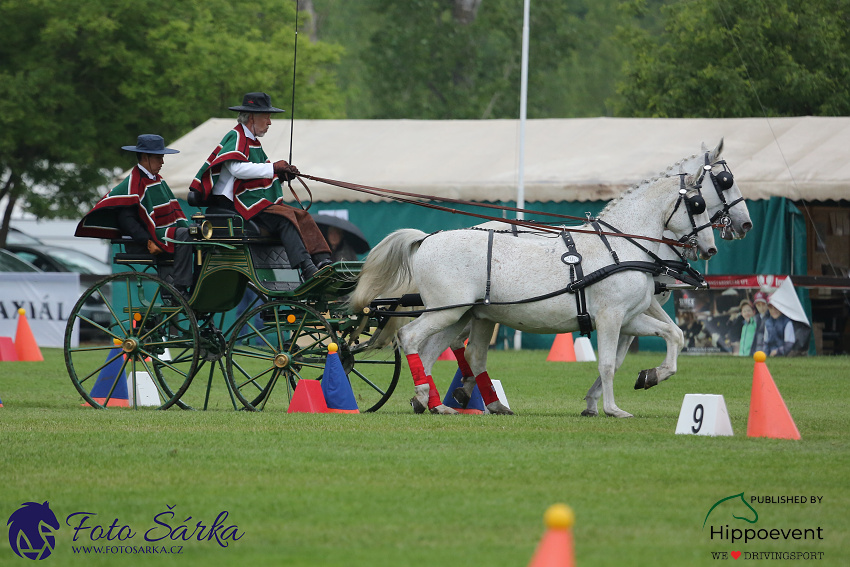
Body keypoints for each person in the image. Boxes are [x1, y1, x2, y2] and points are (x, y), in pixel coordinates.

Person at [190, 92, 331, 280]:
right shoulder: (237, 136)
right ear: (251, 117)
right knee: (285, 218)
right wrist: (273, 168)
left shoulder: (252, 141)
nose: (270, 122)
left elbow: (260, 177)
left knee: (302, 215)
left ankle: (323, 260)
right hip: (233, 204)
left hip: (250, 200)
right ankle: (307, 269)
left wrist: (281, 175)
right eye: (267, 116)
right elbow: (237, 169)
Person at [75, 134, 193, 296]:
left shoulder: (157, 180)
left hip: (164, 236)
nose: (162, 162)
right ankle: (180, 286)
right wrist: (147, 241)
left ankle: (190, 284)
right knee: (184, 234)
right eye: (159, 158)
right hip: (146, 242)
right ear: (145, 157)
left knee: (195, 233)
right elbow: (126, 220)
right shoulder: (132, 184)